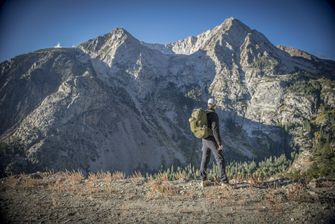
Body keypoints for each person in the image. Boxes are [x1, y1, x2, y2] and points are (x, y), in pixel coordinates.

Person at [200, 98, 229, 187]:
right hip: (212, 139)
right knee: (220, 159)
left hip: (204, 139)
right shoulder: (213, 115)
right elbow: (215, 130)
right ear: (214, 105)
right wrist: (219, 143)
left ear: (208, 104)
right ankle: (224, 181)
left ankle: (203, 180)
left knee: (205, 158)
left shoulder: (204, 113)